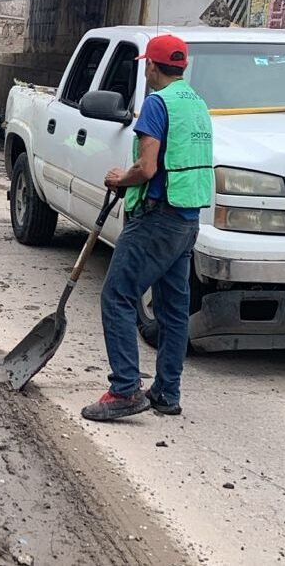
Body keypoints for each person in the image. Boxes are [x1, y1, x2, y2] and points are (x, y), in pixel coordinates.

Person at [81, 35, 214, 422]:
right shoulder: (197, 104)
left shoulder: (158, 103)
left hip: (158, 218)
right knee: (173, 311)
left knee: (118, 297)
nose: (146, 69)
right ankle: (166, 393)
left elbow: (148, 168)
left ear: (152, 67)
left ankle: (125, 389)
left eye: (146, 64)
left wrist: (121, 178)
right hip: (187, 220)